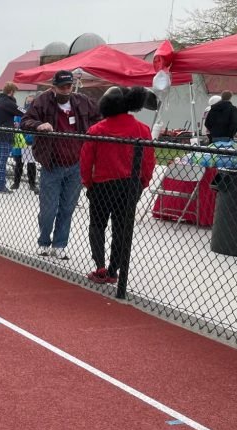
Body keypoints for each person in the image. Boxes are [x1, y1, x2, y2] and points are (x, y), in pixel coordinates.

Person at [22, 70, 101, 260]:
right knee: (48, 209)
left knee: (67, 208)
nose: (66, 90)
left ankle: (59, 245)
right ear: (53, 87)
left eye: (69, 86)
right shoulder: (42, 101)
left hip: (75, 164)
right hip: (52, 163)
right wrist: (38, 125)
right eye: (62, 87)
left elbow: (98, 118)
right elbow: (25, 121)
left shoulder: (82, 101)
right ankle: (43, 241)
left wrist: (92, 132)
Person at [80, 86, 156, 285]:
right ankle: (114, 270)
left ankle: (100, 266)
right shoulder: (142, 129)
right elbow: (149, 160)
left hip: (102, 184)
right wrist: (143, 182)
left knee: (97, 225)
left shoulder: (97, 129)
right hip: (130, 184)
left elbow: (86, 160)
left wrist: (88, 183)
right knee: (122, 229)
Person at [0, 82, 25, 192]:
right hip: (4, 136)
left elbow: (1, 117)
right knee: (1, 162)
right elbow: (24, 112)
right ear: (11, 92)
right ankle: (0, 186)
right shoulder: (8, 103)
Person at [10, 94, 38, 192]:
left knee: (31, 164)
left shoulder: (35, 114)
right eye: (27, 102)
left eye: (31, 102)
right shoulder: (19, 113)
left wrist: (29, 139)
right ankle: (16, 183)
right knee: (19, 164)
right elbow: (15, 126)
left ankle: (32, 184)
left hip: (29, 142)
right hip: (19, 141)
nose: (28, 104)